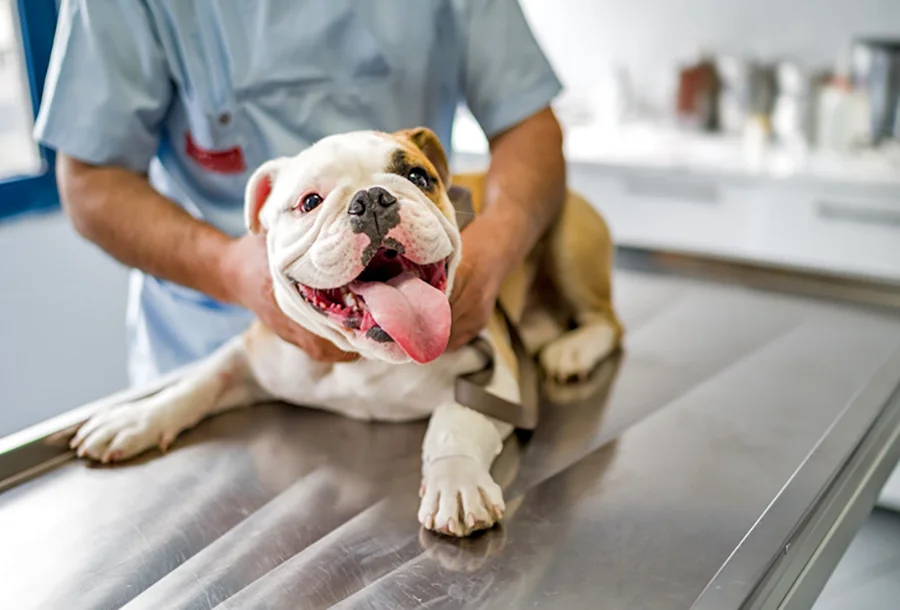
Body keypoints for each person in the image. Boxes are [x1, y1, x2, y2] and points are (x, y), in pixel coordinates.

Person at [34, 0, 567, 386]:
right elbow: (89, 180)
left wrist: (495, 246)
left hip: (421, 332)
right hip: (212, 350)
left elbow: (527, 123)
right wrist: (228, 270)